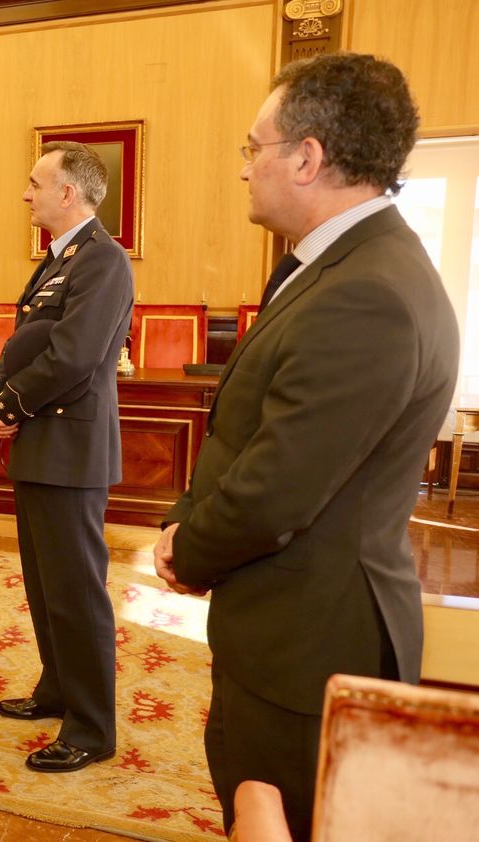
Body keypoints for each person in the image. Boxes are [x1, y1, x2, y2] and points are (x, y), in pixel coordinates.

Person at [154, 53, 459, 839]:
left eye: (252, 148)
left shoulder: (368, 292)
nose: (244, 170)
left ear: (307, 157)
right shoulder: (342, 266)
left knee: (278, 816)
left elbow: (280, 486)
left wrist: (188, 551)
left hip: (312, 639)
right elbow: (251, 423)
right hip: (291, 619)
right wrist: (183, 514)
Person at [0, 141, 133, 773]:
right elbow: (23, 341)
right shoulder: (58, 260)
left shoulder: (103, 260)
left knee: (76, 592)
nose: (27, 194)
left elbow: (73, 357)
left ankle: (92, 727)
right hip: (43, 447)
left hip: (69, 448)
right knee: (46, 588)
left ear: (68, 193)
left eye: (35, 183)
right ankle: (57, 689)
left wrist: (9, 404)